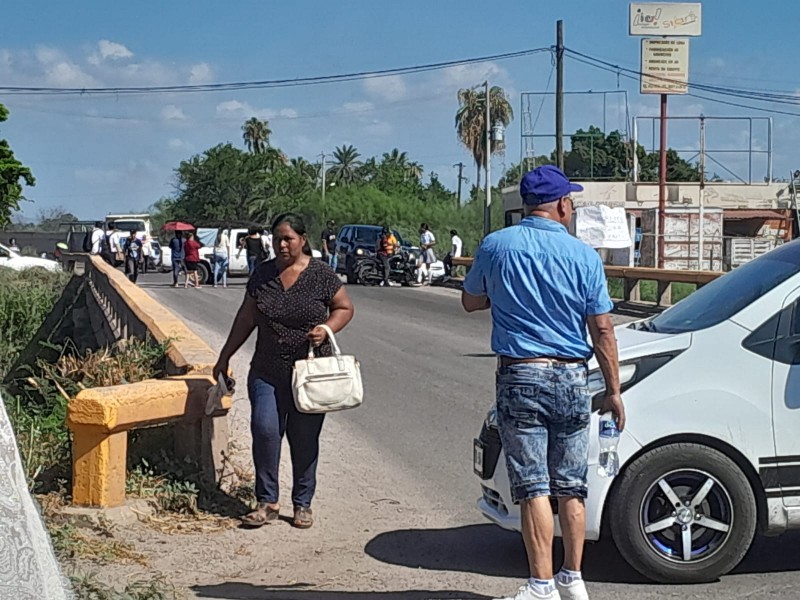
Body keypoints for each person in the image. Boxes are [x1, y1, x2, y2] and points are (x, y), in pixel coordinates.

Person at [461, 165, 625, 600]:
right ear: (561, 205)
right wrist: (613, 390)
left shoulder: (497, 246)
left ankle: (541, 584)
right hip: (573, 375)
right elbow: (603, 329)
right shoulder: (584, 256)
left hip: (522, 373)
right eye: (570, 199)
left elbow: (470, 300)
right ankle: (573, 578)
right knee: (571, 484)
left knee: (534, 485)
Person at [213, 213, 354, 530]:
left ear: (303, 239)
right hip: (267, 369)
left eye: (288, 238)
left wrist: (326, 327)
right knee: (264, 431)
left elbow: (345, 307)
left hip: (310, 374)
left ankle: (302, 503)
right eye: (277, 238)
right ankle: (267, 502)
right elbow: (245, 319)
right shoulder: (263, 275)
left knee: (304, 440)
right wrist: (225, 356)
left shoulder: (321, 275)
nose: (282, 243)